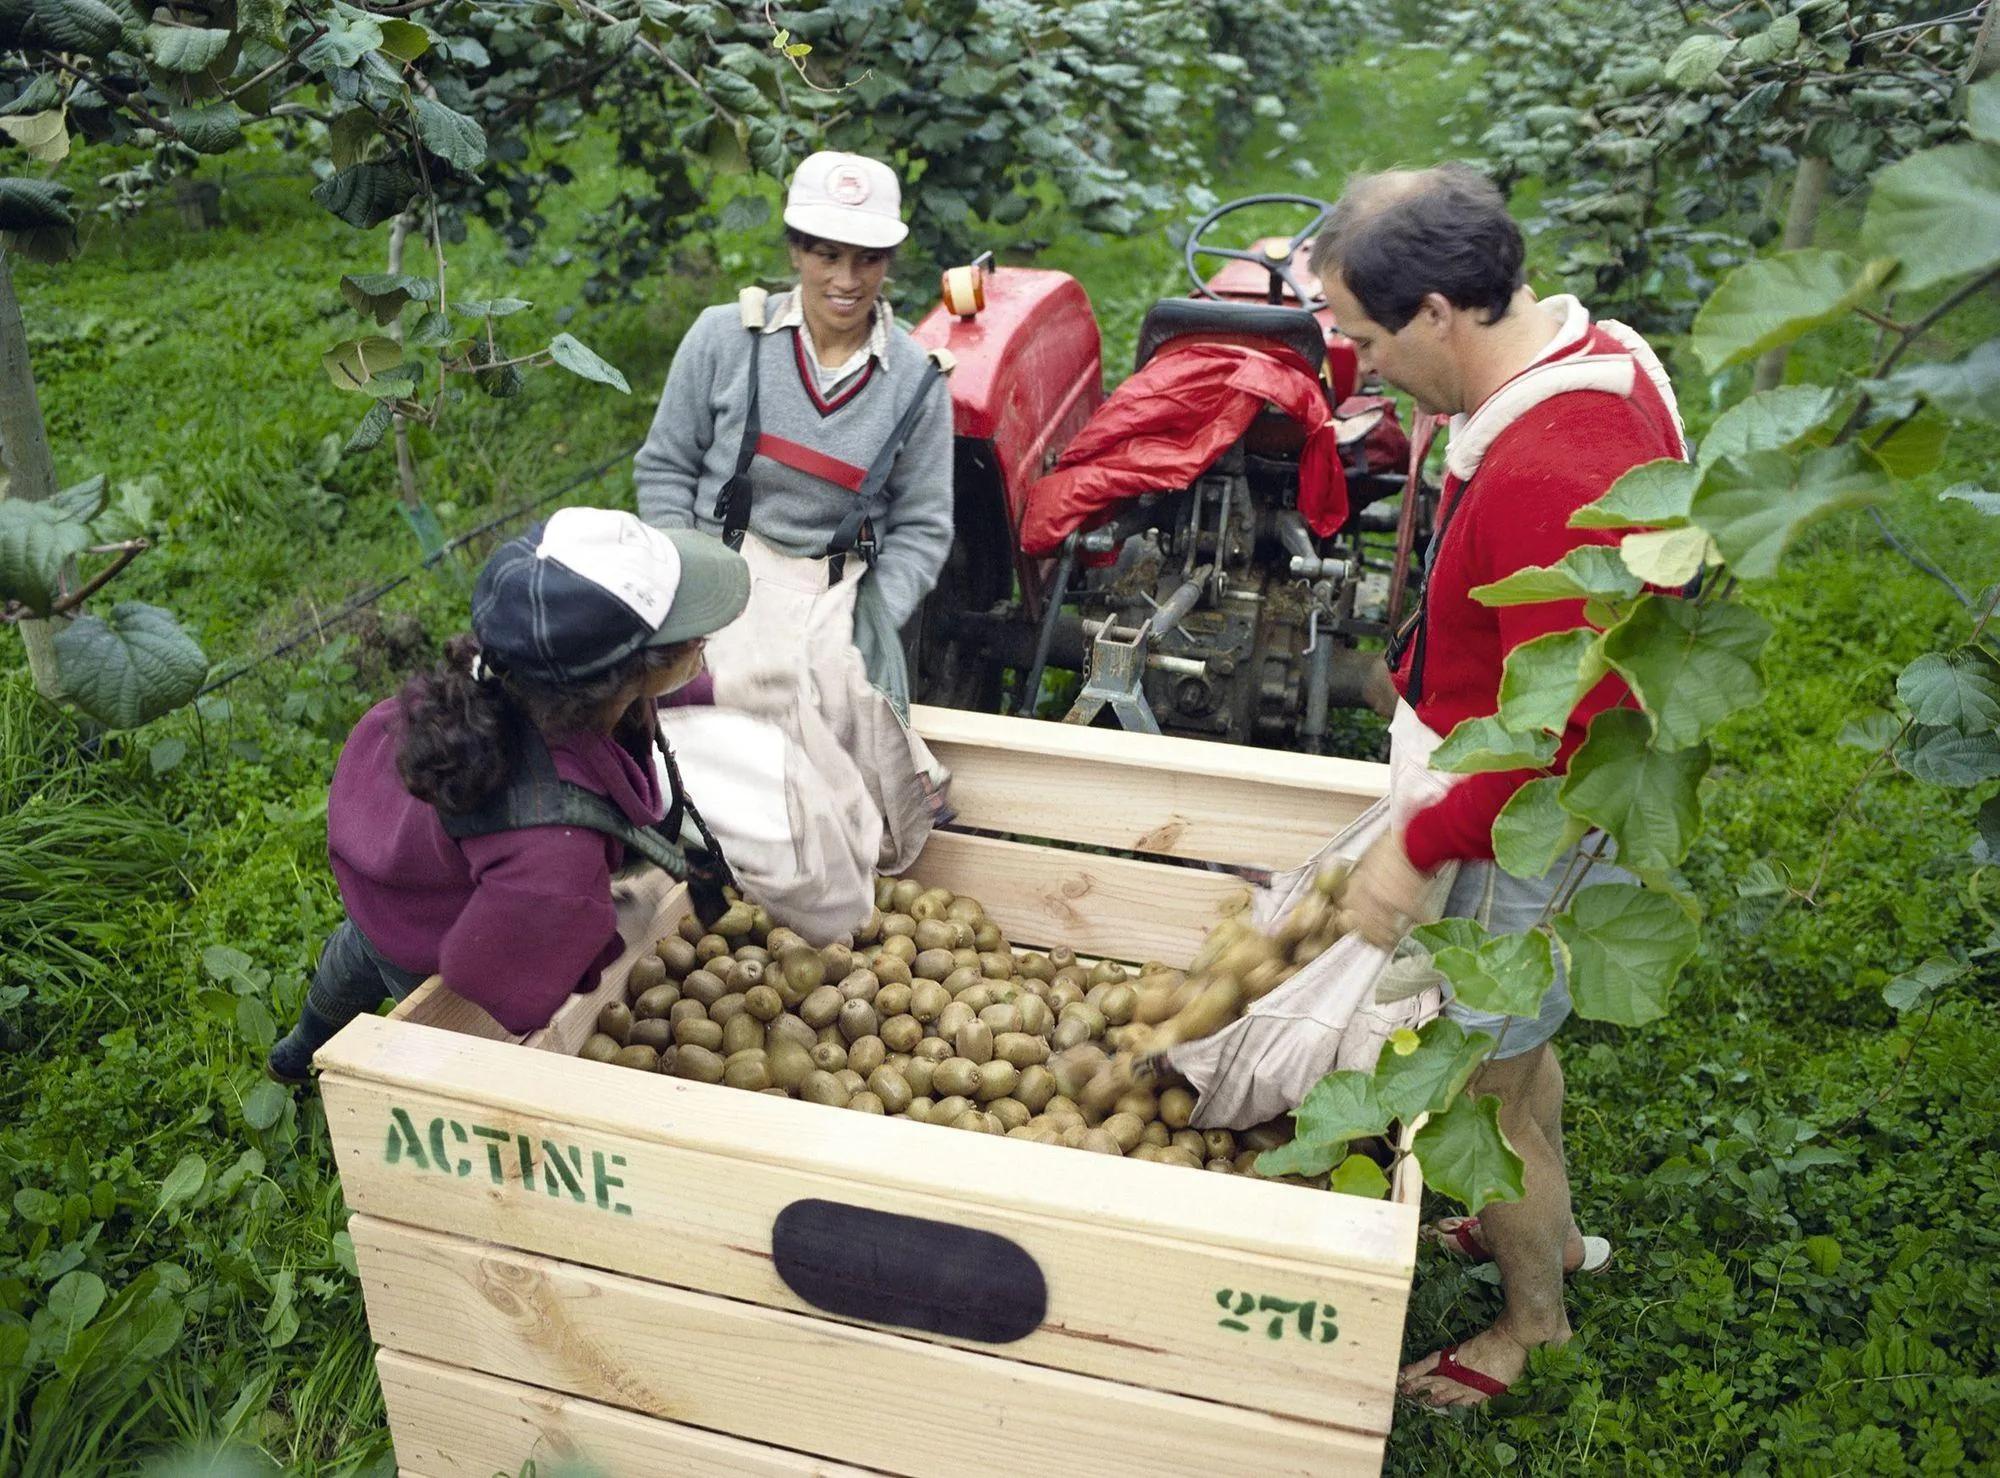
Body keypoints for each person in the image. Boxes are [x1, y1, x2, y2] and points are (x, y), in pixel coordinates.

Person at [1307, 165, 1686, 1407]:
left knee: (1481, 1083)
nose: (1356, 367)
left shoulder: (1550, 467)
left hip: (1533, 820)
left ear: (1434, 313)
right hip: (1543, 802)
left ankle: (1533, 1324)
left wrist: (1422, 840)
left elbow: (1568, 731)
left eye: (1363, 337)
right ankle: (1554, 1229)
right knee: (1518, 1057)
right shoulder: (1592, 356)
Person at [266, 508, 750, 1081]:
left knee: (358, 945)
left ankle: (299, 1045)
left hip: (389, 847)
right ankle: (318, 1056)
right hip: (430, 919)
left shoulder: (531, 670)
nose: (704, 643)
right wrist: (614, 928)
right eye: (693, 640)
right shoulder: (550, 845)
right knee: (405, 989)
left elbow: (659, 687)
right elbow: (498, 979)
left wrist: (730, 691)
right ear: (626, 677)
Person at [632, 150, 954, 868]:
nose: (846, 281)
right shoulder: (724, 338)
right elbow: (666, 466)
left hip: (834, 591)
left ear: (889, 261)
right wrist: (684, 588)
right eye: (826, 255)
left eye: (867, 260)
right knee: (705, 746)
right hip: (721, 569)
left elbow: (925, 525)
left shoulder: (916, 380)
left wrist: (870, 617)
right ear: (796, 251)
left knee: (861, 796)